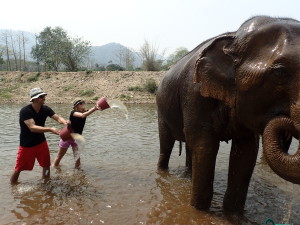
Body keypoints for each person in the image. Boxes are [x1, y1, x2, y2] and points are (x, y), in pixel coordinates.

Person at [10, 87, 68, 184]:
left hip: (41, 142)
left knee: (46, 165)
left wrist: (65, 123)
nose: (44, 98)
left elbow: (57, 118)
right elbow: (32, 127)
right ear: (35, 99)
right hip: (27, 144)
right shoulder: (25, 111)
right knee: (19, 168)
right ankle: (13, 186)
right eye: (42, 96)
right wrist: (50, 129)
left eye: (43, 96)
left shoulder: (45, 109)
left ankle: (46, 183)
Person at [53, 99, 100, 168]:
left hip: (76, 138)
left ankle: (78, 173)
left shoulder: (85, 112)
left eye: (83, 102)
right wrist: (94, 108)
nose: (83, 104)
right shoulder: (73, 112)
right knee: (60, 156)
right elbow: (82, 115)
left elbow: (87, 112)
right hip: (67, 137)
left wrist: (97, 106)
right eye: (81, 103)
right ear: (76, 106)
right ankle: (54, 168)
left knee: (77, 158)